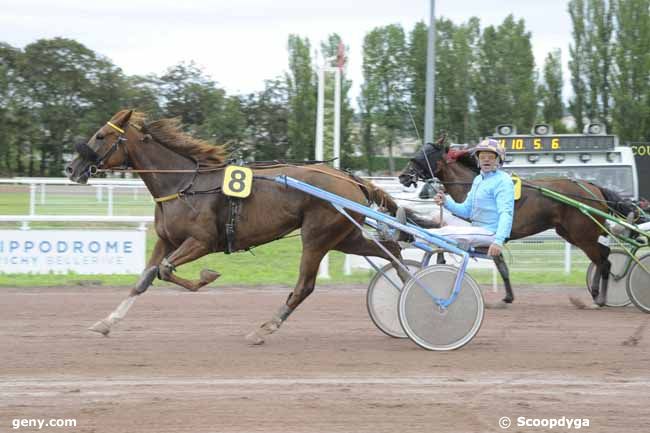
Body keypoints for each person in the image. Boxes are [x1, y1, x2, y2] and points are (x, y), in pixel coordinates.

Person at [399, 138, 515, 257]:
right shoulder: (478, 180)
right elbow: (466, 211)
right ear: (478, 160)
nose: (486, 159)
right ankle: (411, 225)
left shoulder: (503, 181)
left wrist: (499, 241)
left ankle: (409, 236)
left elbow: (506, 213)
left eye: (490, 157)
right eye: (482, 156)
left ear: (498, 160)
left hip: (491, 233)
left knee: (447, 231)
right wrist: (446, 202)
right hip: (477, 228)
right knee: (436, 216)